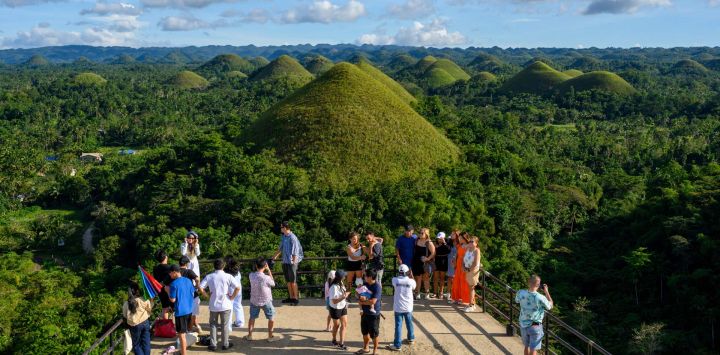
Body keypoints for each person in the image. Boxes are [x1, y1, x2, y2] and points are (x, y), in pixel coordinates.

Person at [199, 258, 240, 351]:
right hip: (226, 303)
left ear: (214, 266)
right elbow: (237, 287)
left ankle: (213, 344)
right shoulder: (228, 276)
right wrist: (232, 297)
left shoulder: (209, 276)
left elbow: (201, 287)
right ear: (223, 266)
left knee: (213, 325)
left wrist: (207, 296)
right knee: (224, 325)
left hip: (213, 304)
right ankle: (225, 344)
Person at [515, 275, 554, 355]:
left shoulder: (520, 292)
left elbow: (517, 301)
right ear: (538, 285)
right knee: (533, 349)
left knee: (526, 346)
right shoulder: (540, 297)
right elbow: (550, 306)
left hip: (523, 324)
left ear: (528, 282)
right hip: (535, 325)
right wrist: (546, 291)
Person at [246, 257, 279, 342]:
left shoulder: (251, 275)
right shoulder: (266, 278)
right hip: (266, 300)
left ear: (256, 266)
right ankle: (270, 336)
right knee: (271, 317)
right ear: (265, 266)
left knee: (252, 318)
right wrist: (269, 270)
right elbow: (273, 284)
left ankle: (249, 335)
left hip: (254, 300)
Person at [385, 264, 416, 352]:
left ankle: (397, 345)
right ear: (407, 272)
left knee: (398, 325)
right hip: (408, 307)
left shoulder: (394, 280)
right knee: (409, 323)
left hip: (398, 307)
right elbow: (414, 287)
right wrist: (411, 275)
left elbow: (396, 281)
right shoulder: (411, 281)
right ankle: (411, 338)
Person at [272, 221, 303, 305]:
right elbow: (280, 248)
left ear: (285, 228)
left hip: (292, 262)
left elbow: (295, 251)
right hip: (285, 261)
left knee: (293, 281)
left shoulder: (293, 237)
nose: (280, 229)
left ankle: (295, 299)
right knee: (288, 281)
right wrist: (274, 257)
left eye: (281, 227)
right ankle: (291, 297)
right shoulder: (284, 237)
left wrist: (293, 262)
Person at [167, 264, 195, 355]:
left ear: (174, 272)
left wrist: (167, 291)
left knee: (181, 335)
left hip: (180, 312)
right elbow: (193, 293)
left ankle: (183, 353)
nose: (170, 275)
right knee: (185, 332)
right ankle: (183, 350)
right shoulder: (188, 280)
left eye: (170, 273)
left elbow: (172, 299)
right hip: (189, 309)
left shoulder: (173, 284)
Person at [123, 282, 152, 355]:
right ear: (137, 291)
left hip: (134, 325)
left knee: (136, 345)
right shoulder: (143, 299)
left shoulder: (126, 303)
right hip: (145, 322)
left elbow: (125, 315)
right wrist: (151, 301)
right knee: (146, 342)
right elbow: (149, 309)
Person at [357, 269, 382, 355]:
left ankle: (375, 350)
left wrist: (362, 302)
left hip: (373, 314)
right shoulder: (365, 284)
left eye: (366, 276)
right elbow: (359, 294)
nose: (365, 277)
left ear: (370, 277)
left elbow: (373, 301)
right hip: (364, 313)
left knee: (374, 334)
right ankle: (366, 348)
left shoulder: (377, 287)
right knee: (364, 332)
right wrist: (359, 295)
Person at [179, 256, 202, 334]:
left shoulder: (176, 272)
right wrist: (196, 286)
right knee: (193, 313)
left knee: (183, 313)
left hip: (181, 296)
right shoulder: (189, 271)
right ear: (186, 264)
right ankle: (189, 329)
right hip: (191, 295)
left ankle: (184, 329)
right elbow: (197, 279)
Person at [328, 269, 350, 351]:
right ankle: (334, 339)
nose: (345, 276)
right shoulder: (333, 287)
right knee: (336, 326)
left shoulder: (341, 283)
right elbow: (334, 301)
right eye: (344, 275)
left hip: (343, 306)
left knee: (344, 325)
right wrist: (344, 296)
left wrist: (345, 295)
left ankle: (341, 343)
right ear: (341, 277)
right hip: (335, 308)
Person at [412, 228, 435, 299]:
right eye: (419, 232)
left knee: (426, 278)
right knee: (418, 278)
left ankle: (427, 293)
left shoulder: (429, 242)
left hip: (425, 262)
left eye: (422, 233)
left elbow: (433, 253)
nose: (420, 234)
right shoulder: (416, 241)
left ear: (426, 234)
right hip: (417, 261)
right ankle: (417, 293)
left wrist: (428, 258)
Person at [462, 236, 482, 312]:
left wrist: (469, 269)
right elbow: (464, 259)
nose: (470, 243)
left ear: (476, 243)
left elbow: (476, 262)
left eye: (472, 242)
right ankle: (472, 304)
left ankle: (471, 305)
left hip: (473, 271)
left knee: (471, 287)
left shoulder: (477, 250)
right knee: (470, 288)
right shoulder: (468, 249)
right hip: (467, 270)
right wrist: (463, 267)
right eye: (469, 241)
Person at [450, 233, 471, 306]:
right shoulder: (460, 245)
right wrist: (454, 261)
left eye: (460, 238)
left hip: (464, 265)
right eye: (459, 238)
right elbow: (457, 255)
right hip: (458, 265)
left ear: (464, 238)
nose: (459, 239)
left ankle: (464, 299)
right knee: (457, 281)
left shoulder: (469, 246)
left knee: (463, 282)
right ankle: (456, 298)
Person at [225, 257, 245, 329]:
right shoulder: (238, 272)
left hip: (230, 290)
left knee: (229, 307)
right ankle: (240, 322)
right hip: (239, 289)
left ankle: (228, 325)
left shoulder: (226, 272)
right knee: (238, 305)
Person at [152, 249, 173, 319]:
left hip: (160, 290)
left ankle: (166, 326)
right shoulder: (169, 267)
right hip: (169, 289)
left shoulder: (155, 268)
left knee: (165, 308)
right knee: (175, 307)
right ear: (166, 257)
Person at [433, 232, 450, 299]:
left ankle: (441, 292)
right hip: (436, 260)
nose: (439, 239)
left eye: (441, 238)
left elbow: (449, 250)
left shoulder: (447, 243)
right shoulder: (435, 243)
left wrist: (444, 242)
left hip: (444, 261)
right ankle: (435, 292)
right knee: (435, 278)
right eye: (438, 238)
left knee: (442, 278)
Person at [445, 230, 459, 300]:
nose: (451, 235)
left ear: (457, 235)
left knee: (454, 279)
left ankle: (454, 294)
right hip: (449, 261)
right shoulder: (449, 241)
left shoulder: (459, 243)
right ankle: (448, 294)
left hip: (456, 262)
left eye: (453, 234)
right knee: (449, 278)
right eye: (451, 233)